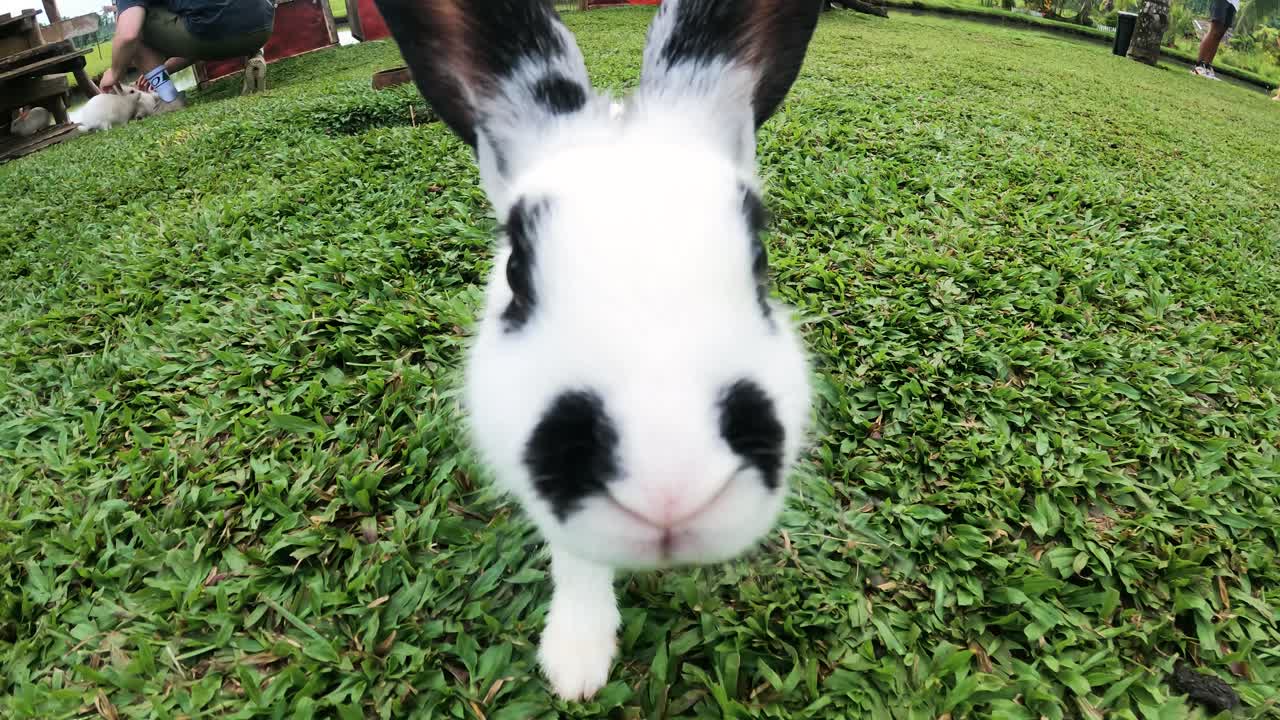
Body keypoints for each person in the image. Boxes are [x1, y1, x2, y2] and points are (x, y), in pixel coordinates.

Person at [99, 0, 276, 104]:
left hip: (213, 32)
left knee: (135, 23)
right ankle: (255, 55)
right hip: (264, 25)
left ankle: (170, 99)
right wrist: (166, 67)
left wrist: (115, 72)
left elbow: (129, 35)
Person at [1192, 0, 1239, 80]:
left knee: (1220, 34)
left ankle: (1207, 66)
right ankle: (1199, 66)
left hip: (1234, 3)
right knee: (1214, 30)